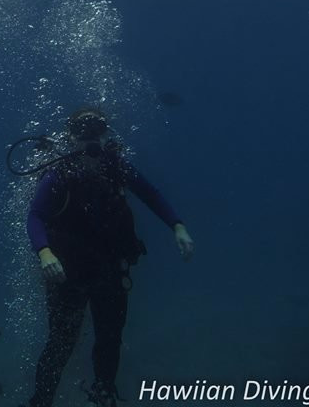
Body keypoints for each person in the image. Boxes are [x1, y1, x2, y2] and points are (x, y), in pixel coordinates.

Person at [19, 107, 194, 407]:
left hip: (109, 270)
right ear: (71, 136)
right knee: (61, 345)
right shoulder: (60, 173)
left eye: (96, 130)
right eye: (82, 131)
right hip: (67, 274)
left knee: (110, 337)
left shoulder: (116, 166)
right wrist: (45, 252)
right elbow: (35, 215)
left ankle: (103, 393)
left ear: (105, 133)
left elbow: (150, 194)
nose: (90, 138)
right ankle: (40, 402)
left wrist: (177, 225)